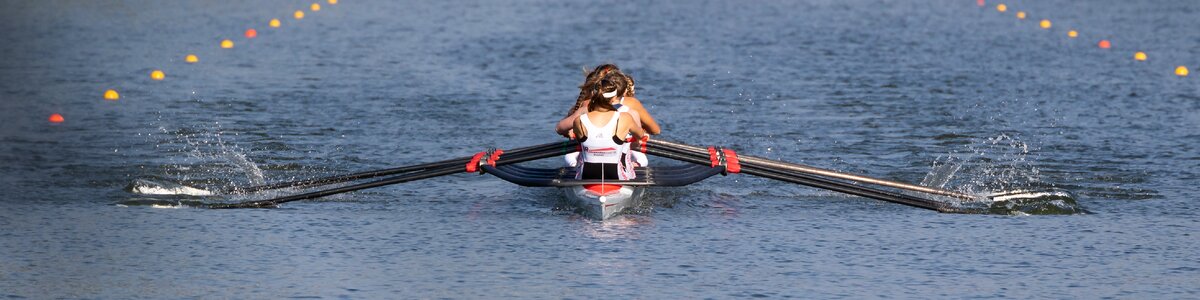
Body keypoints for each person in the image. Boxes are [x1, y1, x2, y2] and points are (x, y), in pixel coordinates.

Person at [572, 73, 645, 180]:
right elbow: (640, 135)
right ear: (614, 97)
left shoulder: (579, 120)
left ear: (593, 95)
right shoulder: (625, 118)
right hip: (615, 175)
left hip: (586, 175)